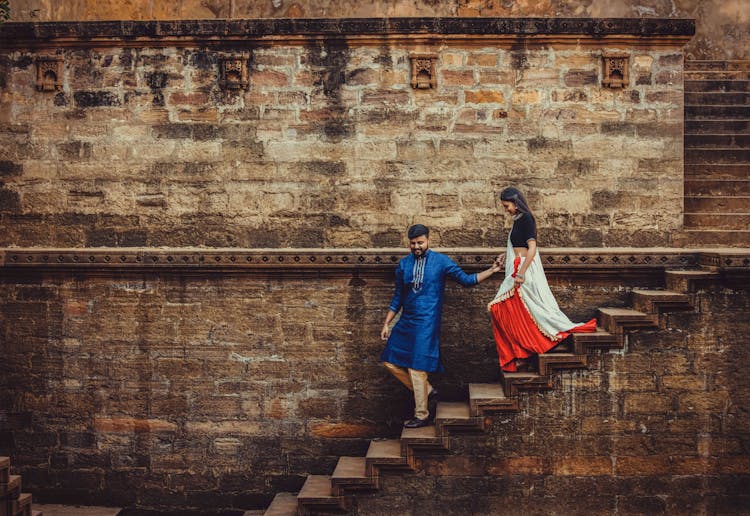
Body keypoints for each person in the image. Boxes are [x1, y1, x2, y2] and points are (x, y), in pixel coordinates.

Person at [380, 224, 502, 428]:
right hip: (406, 322)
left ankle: (421, 415)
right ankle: (427, 391)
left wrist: (492, 270)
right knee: (389, 361)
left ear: (428, 240)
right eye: (413, 243)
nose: (416, 246)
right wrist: (386, 323)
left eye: (420, 242)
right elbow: (397, 298)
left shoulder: (441, 261)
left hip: (426, 322)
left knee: (416, 368)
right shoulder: (403, 265)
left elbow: (467, 280)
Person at [488, 187, 597, 373]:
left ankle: (530, 349)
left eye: (507, 205)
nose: (506, 209)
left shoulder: (527, 219)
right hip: (517, 265)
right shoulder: (518, 220)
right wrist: (504, 255)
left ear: (515, 202)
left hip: (523, 270)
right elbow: (518, 245)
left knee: (502, 308)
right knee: (516, 311)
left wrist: (521, 272)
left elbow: (531, 248)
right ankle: (522, 353)